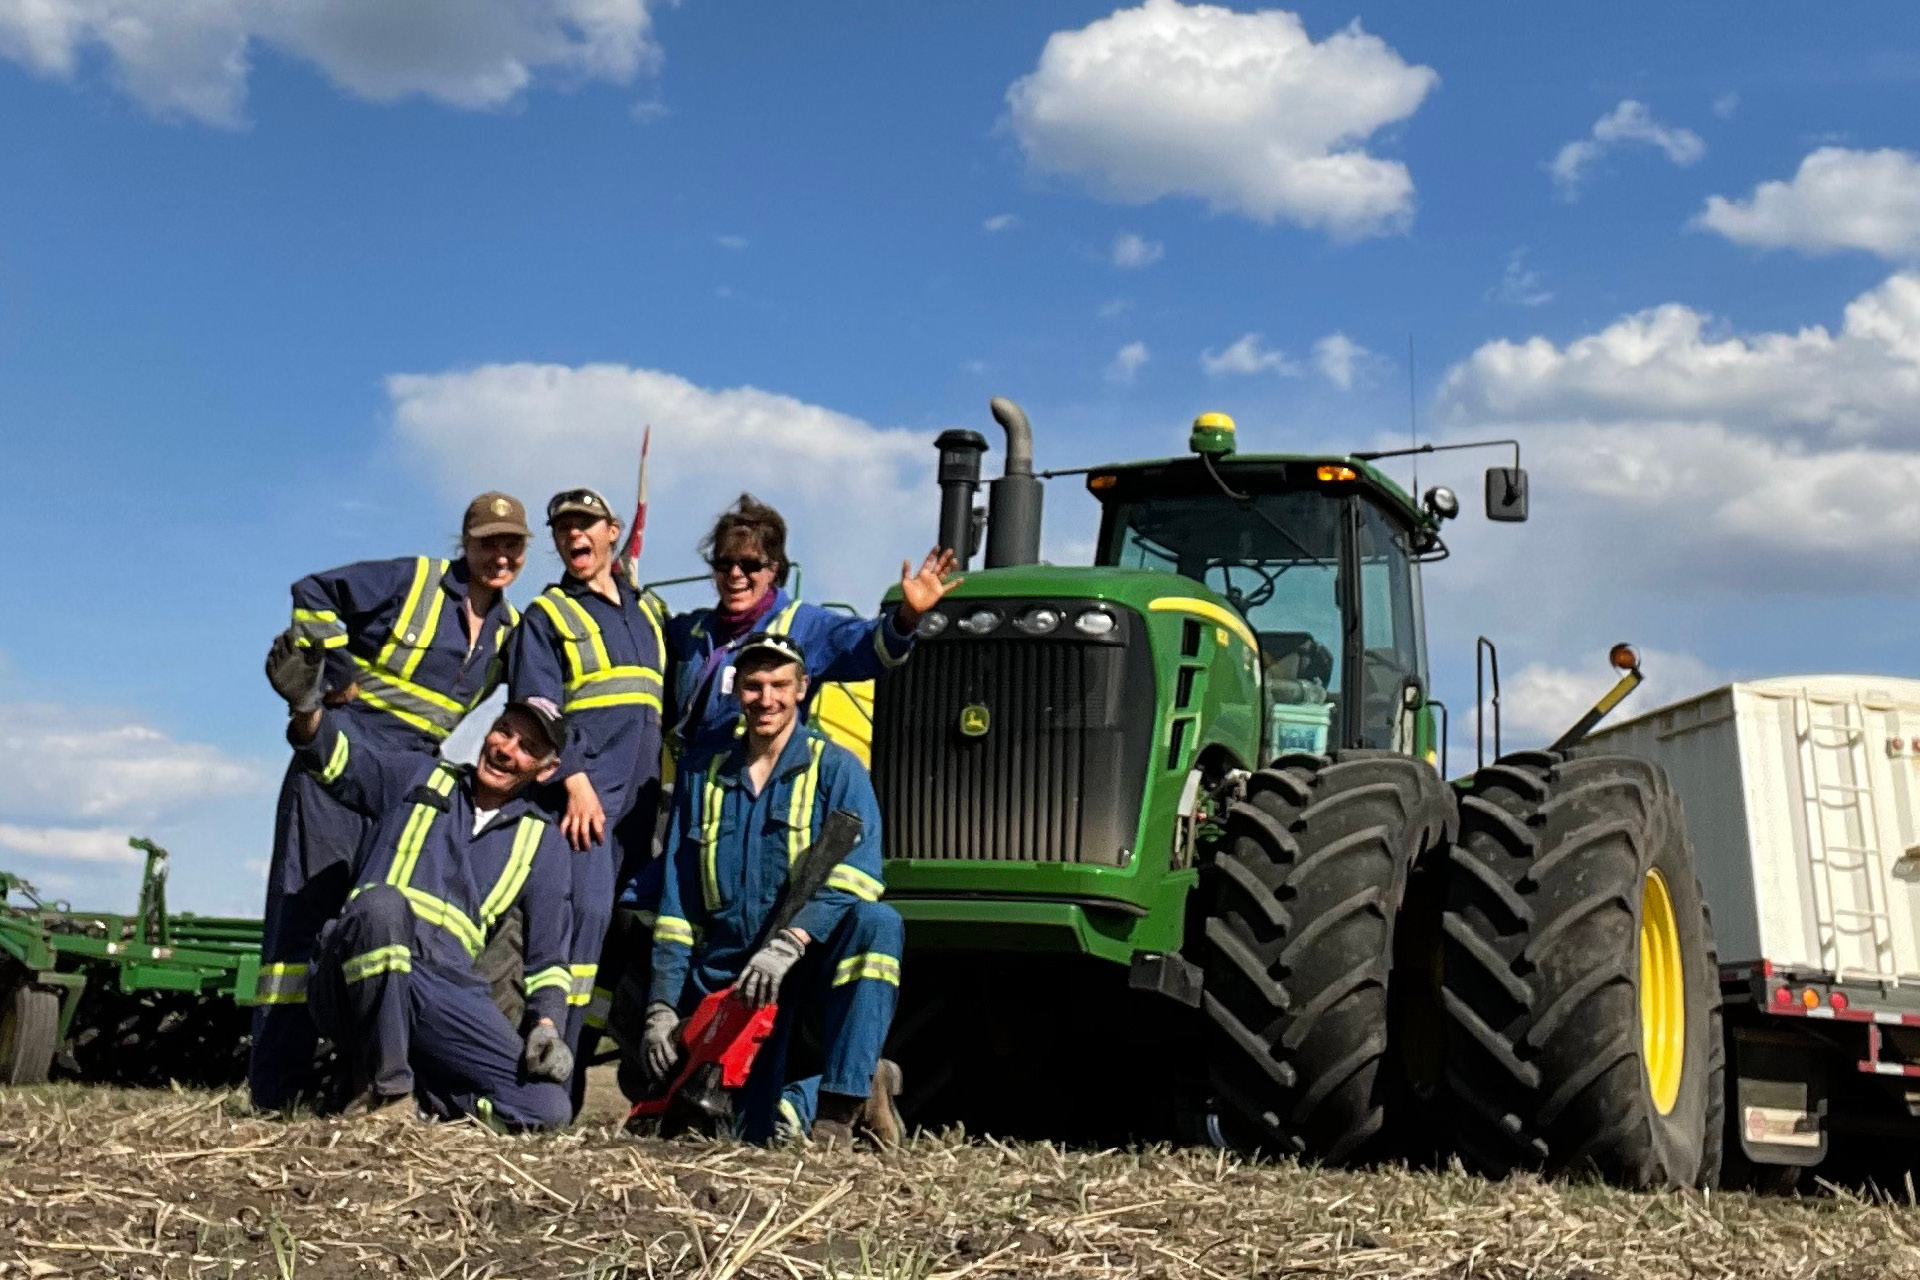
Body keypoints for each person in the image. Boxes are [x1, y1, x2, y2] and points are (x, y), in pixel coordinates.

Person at [251, 492, 530, 1112]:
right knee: (303, 923)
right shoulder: (415, 580)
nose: (500, 555)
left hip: (410, 782)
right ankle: (276, 1093)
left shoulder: (511, 630)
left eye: (512, 544)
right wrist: (338, 672)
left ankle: (363, 1083)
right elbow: (313, 592)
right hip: (337, 762)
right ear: (467, 541)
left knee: (381, 926)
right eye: (488, 542)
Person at [263, 630, 576, 1131]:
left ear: (545, 768)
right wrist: (306, 707)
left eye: (526, 746)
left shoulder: (544, 842)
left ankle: (429, 1100)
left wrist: (546, 1026)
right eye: (503, 731)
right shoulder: (418, 776)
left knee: (547, 1109)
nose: (505, 748)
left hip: (440, 991)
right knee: (383, 907)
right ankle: (388, 1092)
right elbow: (336, 759)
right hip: (354, 972)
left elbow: (548, 959)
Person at [643, 632, 903, 1146]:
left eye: (780, 684)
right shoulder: (703, 773)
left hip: (802, 972)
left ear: (802, 688)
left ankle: (839, 1109)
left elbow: (861, 873)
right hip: (727, 981)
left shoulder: (837, 769)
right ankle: (834, 1090)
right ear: (736, 691)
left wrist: (792, 942)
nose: (767, 699)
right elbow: (678, 903)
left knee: (878, 925)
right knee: (735, 1133)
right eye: (754, 685)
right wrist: (662, 1007)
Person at [506, 487, 666, 1110]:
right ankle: (548, 1095)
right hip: (584, 810)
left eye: (586, 525)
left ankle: (576, 1089)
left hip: (639, 818)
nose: (575, 536)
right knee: (579, 939)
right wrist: (573, 781)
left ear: (612, 530)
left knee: (614, 953)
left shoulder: (647, 612)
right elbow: (535, 713)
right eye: (564, 528)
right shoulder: (548, 616)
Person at [664, 494, 960, 769]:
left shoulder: (805, 626)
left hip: (755, 794)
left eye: (750, 564)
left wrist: (907, 617)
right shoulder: (691, 631)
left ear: (774, 570)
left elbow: (868, 647)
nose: (735, 574)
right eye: (725, 563)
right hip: (691, 793)